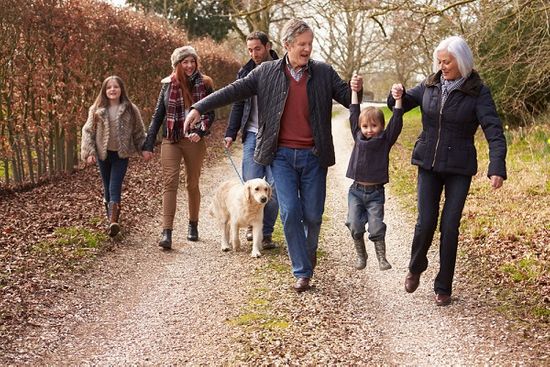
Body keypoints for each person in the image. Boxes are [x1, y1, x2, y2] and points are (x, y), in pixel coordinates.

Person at [184, 19, 363, 292]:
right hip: (280, 156)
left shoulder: (324, 73)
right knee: (290, 212)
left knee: (313, 215)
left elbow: (347, 97)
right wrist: (199, 107)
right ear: (288, 45)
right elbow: (233, 91)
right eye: (302, 44)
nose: (307, 49)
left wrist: (355, 89)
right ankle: (302, 271)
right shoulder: (266, 72)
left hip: (314, 156)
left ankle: (307, 249)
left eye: (310, 44)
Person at [387, 36, 507, 306]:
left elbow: (494, 130)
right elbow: (401, 104)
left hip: (459, 167)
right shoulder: (430, 84)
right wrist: (396, 94)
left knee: (449, 225)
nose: (442, 66)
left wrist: (496, 165)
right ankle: (416, 267)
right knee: (425, 222)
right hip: (428, 163)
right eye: (439, 61)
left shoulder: (478, 91)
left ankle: (444, 286)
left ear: (461, 61)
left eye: (447, 61)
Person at [142, 46, 215, 250]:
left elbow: (210, 113)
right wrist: (149, 143)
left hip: (193, 140)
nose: (190, 65)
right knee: (170, 182)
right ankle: (167, 232)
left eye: (192, 61)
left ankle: (193, 224)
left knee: (192, 183)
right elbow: (158, 115)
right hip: (171, 138)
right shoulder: (167, 85)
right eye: (185, 62)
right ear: (177, 65)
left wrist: (200, 132)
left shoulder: (205, 83)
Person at [224, 31, 280, 250]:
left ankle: (265, 233)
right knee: (251, 186)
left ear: (268, 46)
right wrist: (230, 132)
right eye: (250, 49)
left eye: (257, 48)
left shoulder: (281, 68)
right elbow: (238, 103)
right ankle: (250, 224)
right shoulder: (245, 71)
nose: (254, 53)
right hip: (251, 135)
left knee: (273, 188)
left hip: (277, 137)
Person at [346, 86, 403, 271]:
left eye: (374, 126)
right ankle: (361, 255)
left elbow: (397, 120)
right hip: (356, 191)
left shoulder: (385, 140)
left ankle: (381, 258)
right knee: (355, 225)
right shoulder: (357, 136)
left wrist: (399, 99)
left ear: (381, 126)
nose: (369, 130)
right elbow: (354, 112)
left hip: (375, 194)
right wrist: (354, 91)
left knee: (376, 227)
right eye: (365, 126)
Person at [81, 75, 146, 237]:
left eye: (115, 87)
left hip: (121, 155)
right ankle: (111, 219)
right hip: (103, 155)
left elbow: (138, 132)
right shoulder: (96, 109)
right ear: (104, 91)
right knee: (107, 187)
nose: (112, 90)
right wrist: (89, 152)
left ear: (121, 89)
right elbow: (88, 131)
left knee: (114, 185)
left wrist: (144, 148)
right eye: (109, 87)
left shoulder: (131, 109)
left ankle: (113, 222)